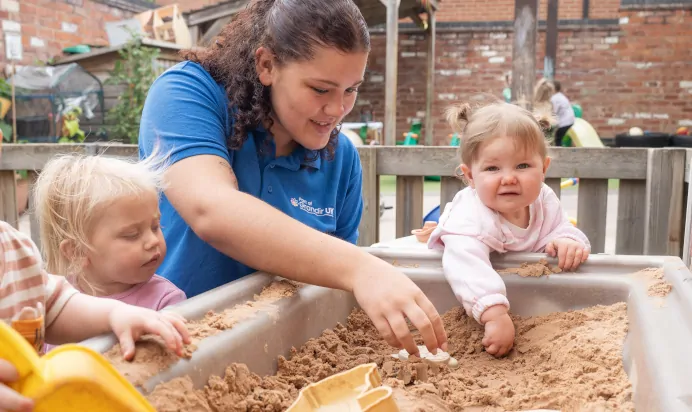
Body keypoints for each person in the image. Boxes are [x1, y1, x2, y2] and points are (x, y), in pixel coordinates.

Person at [138, 0, 447, 357]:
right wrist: (361, 267)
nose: (337, 110)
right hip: (175, 345)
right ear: (267, 65)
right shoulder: (188, 94)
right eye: (320, 89)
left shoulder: (342, 159)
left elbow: (325, 286)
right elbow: (211, 209)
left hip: (278, 353)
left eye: (351, 89)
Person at [427, 101, 591, 357]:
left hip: (531, 304)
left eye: (523, 166)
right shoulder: (472, 214)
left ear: (544, 168)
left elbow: (558, 228)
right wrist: (494, 315)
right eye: (492, 168)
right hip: (473, 302)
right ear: (470, 176)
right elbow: (466, 263)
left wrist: (567, 240)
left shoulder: (543, 200)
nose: (509, 178)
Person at [0, 220, 190, 412]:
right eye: (131, 234)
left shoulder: (11, 247)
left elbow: (53, 307)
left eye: (157, 226)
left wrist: (114, 313)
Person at [34, 153, 186, 311]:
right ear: (77, 251)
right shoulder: (56, 301)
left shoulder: (167, 302)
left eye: (155, 226)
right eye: (132, 235)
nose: (153, 241)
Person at [549, 80, 575, 147]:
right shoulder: (560, 96)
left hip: (565, 121)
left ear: (553, 88)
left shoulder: (555, 98)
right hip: (570, 120)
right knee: (559, 136)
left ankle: (559, 151)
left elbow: (554, 111)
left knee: (558, 138)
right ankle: (561, 148)